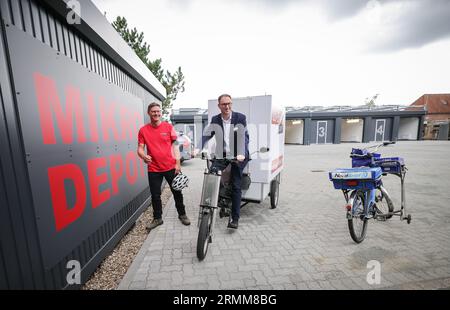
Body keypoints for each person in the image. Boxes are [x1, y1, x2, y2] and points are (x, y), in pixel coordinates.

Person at [137, 102, 191, 231]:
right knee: (155, 195)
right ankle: (158, 218)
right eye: (153, 111)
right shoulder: (143, 130)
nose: (156, 113)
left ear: (161, 113)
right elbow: (139, 149)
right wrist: (143, 156)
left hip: (170, 167)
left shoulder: (168, 127)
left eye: (158, 111)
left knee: (177, 192)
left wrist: (177, 164)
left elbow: (175, 146)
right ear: (149, 113)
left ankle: (182, 215)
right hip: (153, 168)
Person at [203, 94, 249, 229]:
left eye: (229, 103)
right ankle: (216, 203)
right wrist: (199, 148)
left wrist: (241, 153)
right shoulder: (215, 119)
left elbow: (244, 137)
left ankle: (235, 218)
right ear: (219, 106)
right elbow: (207, 134)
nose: (227, 106)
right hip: (223, 154)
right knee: (212, 174)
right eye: (224, 104)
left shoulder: (240, 118)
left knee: (236, 185)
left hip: (238, 155)